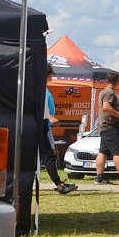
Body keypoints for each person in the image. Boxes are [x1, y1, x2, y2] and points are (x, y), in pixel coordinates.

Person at [39, 67, 77, 195]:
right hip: (41, 125)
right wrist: (49, 117)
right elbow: (41, 106)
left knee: (45, 156)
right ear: (47, 74)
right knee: (48, 156)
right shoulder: (40, 88)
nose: (52, 77)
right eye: (51, 74)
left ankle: (57, 183)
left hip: (41, 125)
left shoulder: (39, 87)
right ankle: (59, 185)